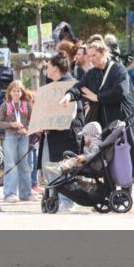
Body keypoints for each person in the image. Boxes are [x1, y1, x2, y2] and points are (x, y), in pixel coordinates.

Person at [60, 39, 134, 180]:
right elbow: (80, 87)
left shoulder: (118, 70)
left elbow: (120, 91)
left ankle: (125, 190)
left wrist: (97, 98)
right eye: (89, 56)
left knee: (122, 158)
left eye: (94, 55)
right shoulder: (93, 73)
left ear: (103, 53)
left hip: (120, 122)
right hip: (104, 123)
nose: (91, 59)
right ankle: (108, 191)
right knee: (105, 160)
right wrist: (68, 96)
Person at [36, 53, 84, 211]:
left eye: (48, 66)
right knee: (50, 167)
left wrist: (47, 122)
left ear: (56, 68)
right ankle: (54, 198)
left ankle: (67, 202)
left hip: (66, 135)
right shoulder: (53, 86)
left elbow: (70, 113)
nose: (46, 69)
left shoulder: (70, 85)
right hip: (52, 135)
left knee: (64, 168)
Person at [0, 80, 32, 202]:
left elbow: (32, 120)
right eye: (14, 90)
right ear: (10, 92)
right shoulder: (5, 106)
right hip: (10, 136)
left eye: (19, 90)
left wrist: (26, 129)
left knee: (25, 165)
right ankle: (10, 193)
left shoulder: (27, 106)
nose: (16, 93)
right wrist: (12, 124)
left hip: (24, 137)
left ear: (22, 92)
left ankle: (26, 193)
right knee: (10, 164)